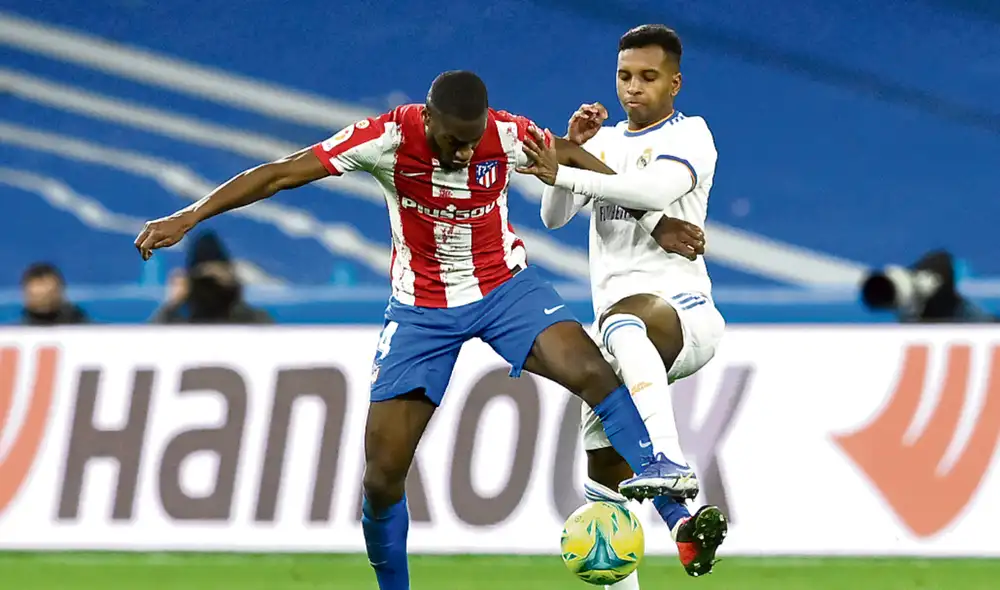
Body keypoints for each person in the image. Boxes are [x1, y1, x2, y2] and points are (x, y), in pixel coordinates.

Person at [133, 70, 700, 590]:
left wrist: (657, 220)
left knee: (595, 374)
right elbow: (281, 173)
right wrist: (190, 215)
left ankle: (678, 517)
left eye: (471, 140)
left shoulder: (501, 133)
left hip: (505, 288)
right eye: (453, 140)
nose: (462, 151)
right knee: (382, 478)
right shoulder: (386, 137)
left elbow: (572, 154)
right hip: (421, 311)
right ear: (427, 119)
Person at [518, 25, 727, 579]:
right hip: (616, 339)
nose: (633, 88)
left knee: (625, 319)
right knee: (606, 501)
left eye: (648, 77)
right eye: (624, 76)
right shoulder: (605, 142)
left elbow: (653, 192)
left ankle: (668, 460)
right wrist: (578, 149)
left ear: (675, 83)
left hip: (680, 312)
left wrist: (566, 166)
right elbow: (553, 217)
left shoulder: (692, 135)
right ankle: (684, 526)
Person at [150, 230, 273, 324]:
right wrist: (173, 305)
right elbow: (151, 344)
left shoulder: (252, 320)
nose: (210, 290)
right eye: (203, 281)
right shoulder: (178, 324)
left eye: (215, 279)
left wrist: (233, 293)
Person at [20, 262, 88, 325]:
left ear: (60, 292)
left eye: (48, 296)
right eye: (36, 296)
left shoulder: (86, 330)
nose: (43, 302)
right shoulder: (15, 333)